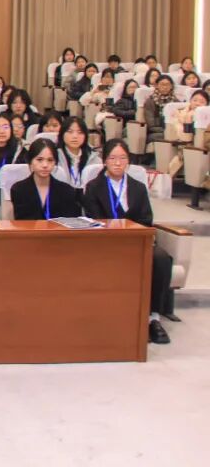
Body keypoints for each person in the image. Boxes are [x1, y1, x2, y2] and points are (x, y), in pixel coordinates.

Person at [82, 139, 173, 345]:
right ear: (104, 160)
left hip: (136, 242)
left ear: (128, 161)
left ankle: (153, 317)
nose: (117, 163)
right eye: (112, 158)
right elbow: (94, 218)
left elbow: (146, 219)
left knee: (161, 259)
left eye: (122, 158)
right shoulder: (94, 187)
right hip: (106, 243)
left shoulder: (138, 187)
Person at [11, 139, 82, 220]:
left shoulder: (67, 191)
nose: (45, 165)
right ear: (30, 161)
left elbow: (71, 222)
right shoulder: (19, 189)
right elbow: (21, 221)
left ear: (55, 162)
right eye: (39, 160)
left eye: (50, 160)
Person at [55, 116, 101, 189]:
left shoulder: (95, 160)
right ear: (62, 134)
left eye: (80, 132)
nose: (75, 136)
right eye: (70, 132)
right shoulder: (54, 157)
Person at [144, 75, 177, 143]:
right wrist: (166, 130)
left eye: (168, 84)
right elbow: (151, 125)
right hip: (156, 132)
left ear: (171, 86)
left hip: (173, 130)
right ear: (156, 85)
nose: (165, 87)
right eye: (162, 84)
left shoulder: (176, 102)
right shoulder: (150, 101)